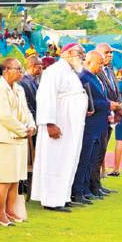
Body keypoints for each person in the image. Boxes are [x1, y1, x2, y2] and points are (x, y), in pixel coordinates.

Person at [32, 43, 88, 212]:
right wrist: (49, 123)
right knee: (55, 161)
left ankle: (63, 196)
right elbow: (45, 98)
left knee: (68, 159)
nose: (82, 56)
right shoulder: (53, 71)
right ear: (67, 53)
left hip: (71, 126)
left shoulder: (70, 71)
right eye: (79, 53)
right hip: (59, 124)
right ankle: (51, 200)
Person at [0, 58, 36, 227]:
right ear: (6, 70)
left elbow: (26, 111)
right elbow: (4, 116)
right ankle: (0, 212)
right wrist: (23, 130)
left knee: (15, 178)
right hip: (4, 139)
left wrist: (31, 125)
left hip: (19, 139)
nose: (21, 72)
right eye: (18, 69)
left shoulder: (19, 88)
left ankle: (10, 210)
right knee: (4, 178)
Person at [73, 50, 118, 204]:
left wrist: (108, 107)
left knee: (92, 159)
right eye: (99, 63)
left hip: (99, 124)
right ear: (89, 62)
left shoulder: (94, 77)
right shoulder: (83, 77)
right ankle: (78, 191)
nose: (101, 66)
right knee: (85, 159)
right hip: (90, 125)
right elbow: (88, 102)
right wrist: (108, 105)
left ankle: (86, 189)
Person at [91, 43, 122, 196]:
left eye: (111, 52)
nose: (110, 54)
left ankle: (97, 184)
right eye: (106, 52)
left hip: (111, 116)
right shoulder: (95, 72)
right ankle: (92, 185)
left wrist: (119, 107)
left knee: (102, 152)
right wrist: (110, 106)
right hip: (100, 116)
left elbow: (116, 91)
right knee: (95, 153)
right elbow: (98, 95)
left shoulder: (109, 70)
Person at [19, 55, 42, 123]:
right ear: (34, 66)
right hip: (32, 121)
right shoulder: (22, 82)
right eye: (40, 66)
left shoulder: (35, 80)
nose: (42, 68)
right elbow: (26, 104)